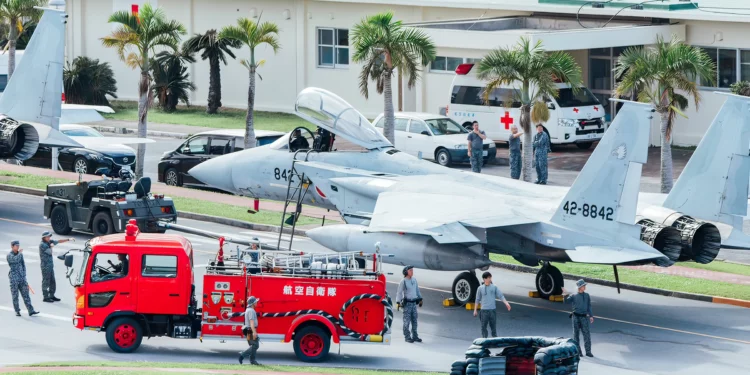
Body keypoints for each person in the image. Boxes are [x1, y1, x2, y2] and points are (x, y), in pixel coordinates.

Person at [473, 272, 511, 338]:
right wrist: (475, 310)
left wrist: (506, 303)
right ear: (484, 279)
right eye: (488, 278)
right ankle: (484, 339)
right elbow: (477, 299)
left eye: (490, 277)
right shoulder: (480, 288)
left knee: (493, 327)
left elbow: (500, 295)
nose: (490, 279)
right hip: (484, 311)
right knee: (483, 327)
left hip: (492, 311)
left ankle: (495, 339)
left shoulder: (494, 287)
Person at [39, 231, 73, 303]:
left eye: (49, 237)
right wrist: (51, 246)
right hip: (45, 266)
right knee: (46, 281)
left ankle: (51, 295)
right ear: (44, 237)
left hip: (50, 266)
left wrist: (68, 239)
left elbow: (58, 241)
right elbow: (50, 252)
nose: (49, 238)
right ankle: (45, 297)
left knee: (52, 281)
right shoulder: (42, 245)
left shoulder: (49, 242)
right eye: (47, 237)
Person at [563, 279, 594, 358]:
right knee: (576, 335)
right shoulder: (574, 295)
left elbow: (589, 306)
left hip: (584, 317)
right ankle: (578, 351)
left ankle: (588, 352)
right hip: (576, 317)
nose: (585, 287)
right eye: (583, 286)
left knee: (587, 334)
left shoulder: (587, 295)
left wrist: (591, 316)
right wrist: (565, 294)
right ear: (580, 287)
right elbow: (566, 302)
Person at [7, 241, 40, 317]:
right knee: (15, 295)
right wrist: (19, 253)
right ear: (12, 246)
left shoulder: (20, 254)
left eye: (18, 245)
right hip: (14, 278)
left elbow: (23, 264)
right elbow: (14, 260)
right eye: (16, 246)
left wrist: (24, 274)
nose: (18, 247)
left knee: (26, 294)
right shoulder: (9, 255)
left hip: (22, 278)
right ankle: (17, 310)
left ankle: (30, 310)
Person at [396, 265, 423, 343]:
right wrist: (398, 302)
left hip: (414, 303)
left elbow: (417, 290)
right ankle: (407, 336)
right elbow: (399, 292)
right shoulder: (403, 281)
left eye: (412, 270)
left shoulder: (414, 280)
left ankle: (415, 336)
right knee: (406, 321)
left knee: (415, 321)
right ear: (406, 272)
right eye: (410, 270)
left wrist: (420, 298)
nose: (412, 271)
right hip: (407, 304)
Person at [234, 296, 260, 365]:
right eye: (255, 302)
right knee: (255, 345)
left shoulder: (248, 310)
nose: (257, 302)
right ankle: (242, 355)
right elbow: (251, 323)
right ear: (252, 303)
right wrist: (254, 332)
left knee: (253, 345)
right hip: (250, 329)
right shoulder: (251, 311)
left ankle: (253, 361)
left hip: (249, 329)